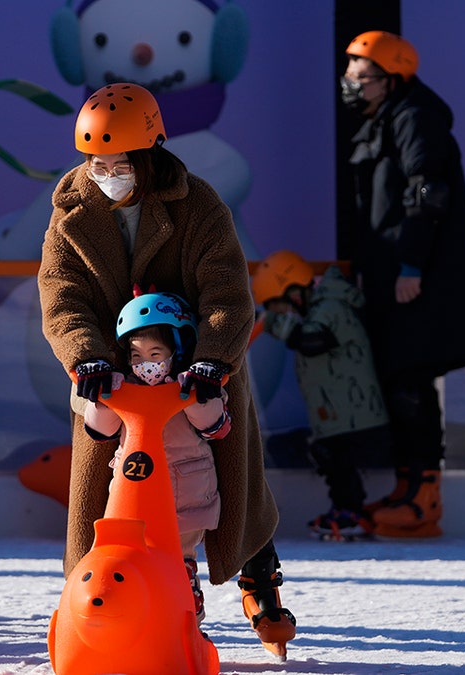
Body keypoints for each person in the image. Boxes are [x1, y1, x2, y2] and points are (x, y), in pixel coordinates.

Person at [38, 82, 296, 659]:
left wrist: (211, 358)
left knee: (229, 476)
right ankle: (101, 599)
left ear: (148, 154)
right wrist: (86, 358)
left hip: (196, 367)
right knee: (105, 490)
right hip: (111, 373)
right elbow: (62, 296)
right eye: (95, 162)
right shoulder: (72, 210)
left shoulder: (197, 203)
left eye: (118, 163)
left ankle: (257, 570)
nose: (105, 173)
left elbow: (227, 288)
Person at [341, 31, 465, 537]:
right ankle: (407, 487)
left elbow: (426, 188)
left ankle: (425, 499)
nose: (352, 84)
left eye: (362, 76)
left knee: (412, 380)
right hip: (390, 276)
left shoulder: (416, 115)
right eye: (351, 74)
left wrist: (411, 266)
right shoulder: (388, 116)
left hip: (417, 280)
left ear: (391, 77)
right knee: (400, 381)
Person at [83, 290, 230, 624]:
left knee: (177, 552)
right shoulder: (124, 386)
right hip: (133, 487)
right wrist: (103, 397)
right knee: (129, 551)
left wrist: (197, 392)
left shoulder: (190, 384)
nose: (144, 364)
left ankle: (184, 608)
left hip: (184, 489)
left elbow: (214, 425)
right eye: (136, 356)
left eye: (154, 353)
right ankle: (132, 612)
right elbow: (100, 430)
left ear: (176, 351)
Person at [251, 250, 392, 542]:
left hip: (356, 413)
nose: (282, 314)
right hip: (338, 414)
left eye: (281, 306)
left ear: (295, 291)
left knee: (339, 459)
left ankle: (350, 511)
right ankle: (344, 507)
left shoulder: (332, 306)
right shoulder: (318, 309)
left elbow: (313, 340)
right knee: (330, 457)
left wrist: (274, 323)